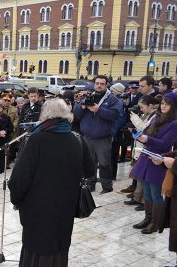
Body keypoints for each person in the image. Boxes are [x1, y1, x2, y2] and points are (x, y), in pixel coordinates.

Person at [9, 98, 95, 267]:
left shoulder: (36, 139)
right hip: (65, 205)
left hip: (37, 207)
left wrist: (16, 198)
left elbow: (20, 178)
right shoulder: (77, 139)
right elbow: (90, 170)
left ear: (45, 116)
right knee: (59, 245)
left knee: (36, 247)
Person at [131, 92, 177, 234]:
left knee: (155, 193)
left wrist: (147, 140)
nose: (163, 106)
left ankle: (155, 223)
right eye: (162, 103)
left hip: (159, 159)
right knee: (147, 192)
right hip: (147, 157)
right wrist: (139, 136)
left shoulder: (174, 123)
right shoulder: (156, 117)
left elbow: (165, 143)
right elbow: (147, 133)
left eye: (167, 104)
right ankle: (148, 218)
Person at [74, 75, 123, 194]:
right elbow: (77, 115)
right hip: (87, 136)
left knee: (104, 163)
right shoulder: (88, 96)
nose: (99, 85)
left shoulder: (112, 99)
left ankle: (107, 186)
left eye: (102, 83)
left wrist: (98, 110)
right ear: (94, 84)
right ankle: (90, 184)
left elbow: (115, 115)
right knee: (89, 162)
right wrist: (83, 106)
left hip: (103, 137)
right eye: (97, 83)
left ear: (106, 85)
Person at [123, 95, 158, 208]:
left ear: (150, 106)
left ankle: (143, 201)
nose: (140, 109)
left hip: (146, 149)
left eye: (142, 107)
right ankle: (137, 198)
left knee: (144, 178)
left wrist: (134, 118)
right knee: (139, 177)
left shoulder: (155, 116)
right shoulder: (146, 114)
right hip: (139, 148)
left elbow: (144, 128)